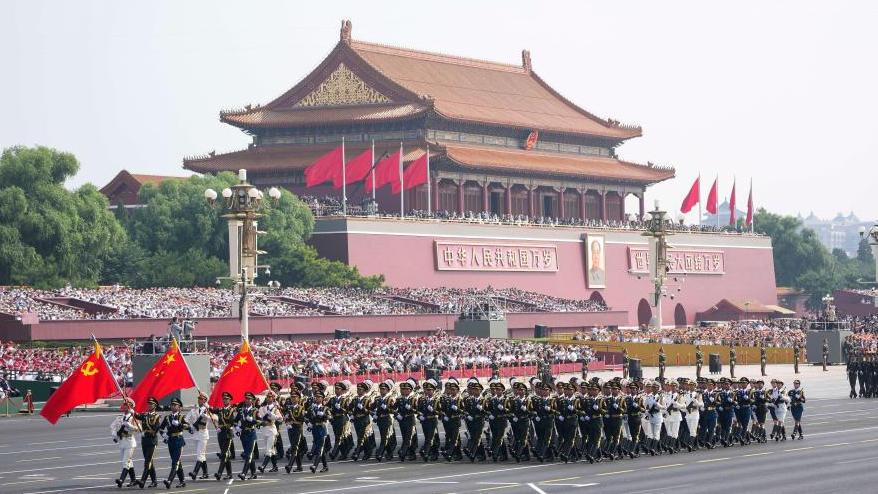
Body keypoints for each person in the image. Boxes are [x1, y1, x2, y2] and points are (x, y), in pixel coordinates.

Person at [160, 397, 190, 489]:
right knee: (177, 462)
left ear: (179, 407)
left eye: (175, 405)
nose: (173, 406)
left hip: (178, 441)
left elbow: (188, 426)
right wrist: (164, 435)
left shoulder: (181, 417)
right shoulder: (167, 417)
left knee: (175, 462)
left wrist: (179, 424)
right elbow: (160, 428)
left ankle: (169, 480)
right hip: (171, 442)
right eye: (172, 405)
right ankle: (182, 481)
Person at [110, 397, 139, 488]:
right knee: (129, 462)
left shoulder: (133, 417)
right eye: (124, 404)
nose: (124, 406)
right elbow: (112, 427)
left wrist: (129, 425)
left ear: (130, 406)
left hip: (130, 442)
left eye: (126, 405)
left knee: (125, 462)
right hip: (122, 442)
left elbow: (138, 429)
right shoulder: (119, 417)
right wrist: (115, 435)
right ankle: (133, 480)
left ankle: (121, 480)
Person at [134, 396, 162, 488]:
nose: (149, 405)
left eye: (151, 404)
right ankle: (154, 481)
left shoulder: (157, 416)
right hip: (144, 441)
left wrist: (146, 431)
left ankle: (143, 481)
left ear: (155, 406)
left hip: (152, 441)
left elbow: (156, 428)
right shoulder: (145, 415)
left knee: (147, 462)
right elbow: (137, 416)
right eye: (148, 404)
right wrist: (132, 412)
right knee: (149, 462)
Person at [209, 391, 236, 480]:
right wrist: (206, 404)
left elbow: (231, 422)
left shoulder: (232, 410)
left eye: (226, 399)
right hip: (220, 434)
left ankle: (219, 473)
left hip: (228, 434)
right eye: (223, 399)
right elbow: (212, 410)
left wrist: (221, 426)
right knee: (226, 455)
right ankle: (229, 474)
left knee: (224, 454)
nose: (224, 400)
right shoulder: (220, 410)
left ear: (230, 400)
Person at [185, 392, 212, 480]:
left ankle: (195, 472)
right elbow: (185, 419)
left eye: (201, 399)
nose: (199, 400)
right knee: (201, 454)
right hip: (196, 434)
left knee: (200, 454)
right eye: (199, 399)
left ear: (205, 400)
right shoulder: (193, 410)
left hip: (203, 433)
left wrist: (207, 416)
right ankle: (205, 473)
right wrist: (189, 427)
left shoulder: (208, 409)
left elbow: (215, 419)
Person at [371, 379, 398, 462]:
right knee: (386, 437)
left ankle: (380, 454)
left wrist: (387, 408)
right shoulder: (377, 399)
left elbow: (394, 409)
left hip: (387, 420)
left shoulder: (390, 399)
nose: (382, 390)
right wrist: (374, 415)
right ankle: (389, 453)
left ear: (388, 390)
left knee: (384, 438)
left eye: (384, 389)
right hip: (380, 420)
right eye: (381, 389)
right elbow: (371, 408)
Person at [348, 379, 376, 461]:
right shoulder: (355, 399)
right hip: (357, 420)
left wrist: (364, 409)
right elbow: (349, 408)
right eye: (358, 389)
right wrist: (351, 415)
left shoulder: (367, 399)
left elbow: (371, 410)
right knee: (362, 437)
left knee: (361, 437)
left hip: (364, 419)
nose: (359, 391)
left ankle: (358, 453)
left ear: (364, 391)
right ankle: (368, 451)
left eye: (360, 390)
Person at [256, 391, 283, 473]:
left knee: (268, 450)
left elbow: (281, 418)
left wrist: (273, 416)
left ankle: (263, 466)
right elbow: (259, 416)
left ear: (273, 398)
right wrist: (263, 419)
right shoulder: (262, 408)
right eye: (267, 397)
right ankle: (275, 466)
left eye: (270, 397)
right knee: (272, 450)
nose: (268, 398)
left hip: (272, 431)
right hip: (265, 430)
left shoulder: (275, 409)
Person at [283, 385, 307, 473]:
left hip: (297, 429)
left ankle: (289, 465)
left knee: (294, 448)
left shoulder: (301, 408)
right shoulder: (288, 407)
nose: (292, 399)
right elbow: (285, 418)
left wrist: (292, 421)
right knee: (295, 448)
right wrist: (286, 421)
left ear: (298, 398)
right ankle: (299, 466)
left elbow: (301, 419)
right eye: (292, 397)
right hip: (290, 430)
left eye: (295, 397)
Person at [236, 392, 260, 480]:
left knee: (249, 454)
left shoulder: (255, 411)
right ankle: (254, 473)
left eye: (249, 399)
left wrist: (252, 420)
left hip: (251, 434)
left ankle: (244, 473)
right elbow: (235, 420)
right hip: (243, 434)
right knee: (247, 455)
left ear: (252, 401)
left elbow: (261, 422)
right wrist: (237, 427)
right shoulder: (241, 410)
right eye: (246, 398)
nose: (247, 400)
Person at [305, 388, 330, 473]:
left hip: (322, 430)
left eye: (319, 397)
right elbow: (306, 417)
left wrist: (324, 415)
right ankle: (325, 466)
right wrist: (308, 423)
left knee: (320, 449)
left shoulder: (325, 408)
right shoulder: (311, 408)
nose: (317, 398)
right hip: (314, 429)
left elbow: (330, 417)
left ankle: (315, 466)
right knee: (319, 449)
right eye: (316, 397)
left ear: (322, 398)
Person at [417, 378, 441, 461]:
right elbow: (418, 410)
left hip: (432, 420)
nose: (428, 391)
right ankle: (434, 453)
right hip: (425, 421)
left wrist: (433, 411)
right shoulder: (422, 399)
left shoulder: (437, 399)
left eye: (430, 390)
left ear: (433, 390)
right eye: (426, 390)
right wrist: (420, 416)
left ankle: (425, 452)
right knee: (429, 437)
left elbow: (440, 411)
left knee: (429, 438)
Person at [395, 378, 418, 462]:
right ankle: (411, 453)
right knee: (405, 437)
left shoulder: (413, 399)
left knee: (408, 438)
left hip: (410, 420)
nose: (404, 391)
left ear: (410, 390)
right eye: (402, 389)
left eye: (406, 389)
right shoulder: (399, 399)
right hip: (402, 420)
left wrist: (411, 408)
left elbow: (417, 410)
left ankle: (403, 453)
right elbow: (393, 409)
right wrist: (397, 415)